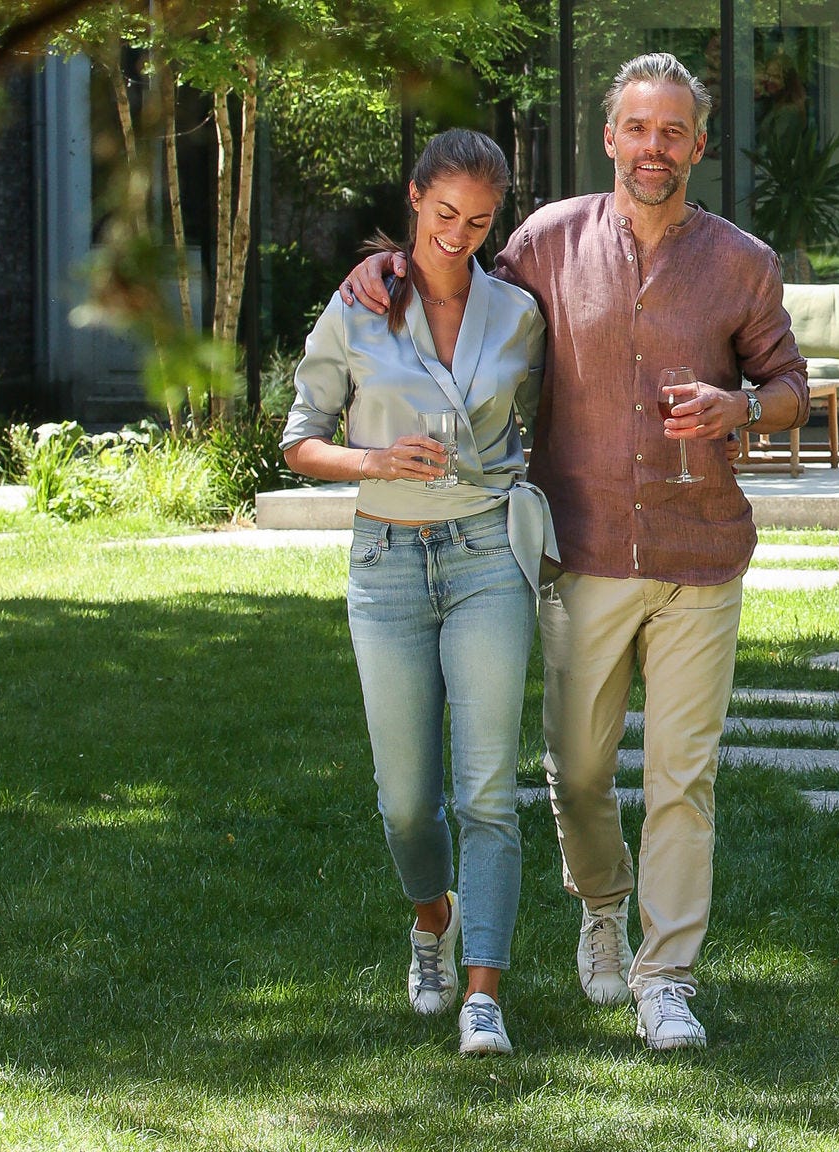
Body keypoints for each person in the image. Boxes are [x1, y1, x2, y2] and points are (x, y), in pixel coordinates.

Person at [341, 53, 809, 1051]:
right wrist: (388, 263)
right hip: (581, 554)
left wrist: (741, 407)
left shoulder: (741, 262)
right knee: (582, 772)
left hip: (700, 560)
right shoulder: (546, 243)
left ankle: (665, 975)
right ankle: (601, 905)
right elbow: (454, 290)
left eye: (673, 131)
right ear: (611, 139)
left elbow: (790, 389)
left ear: (697, 144)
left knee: (684, 777)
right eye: (637, 129)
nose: (654, 148)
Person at [284, 128, 548, 1058]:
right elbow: (299, 438)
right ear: (413, 199)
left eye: (479, 222)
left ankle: (485, 991)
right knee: (406, 802)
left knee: (488, 792)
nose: (459, 236)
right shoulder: (359, 309)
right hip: (386, 560)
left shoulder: (517, 314)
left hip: (486, 556)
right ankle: (430, 917)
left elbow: (545, 423)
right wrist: (372, 458)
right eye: (443, 217)